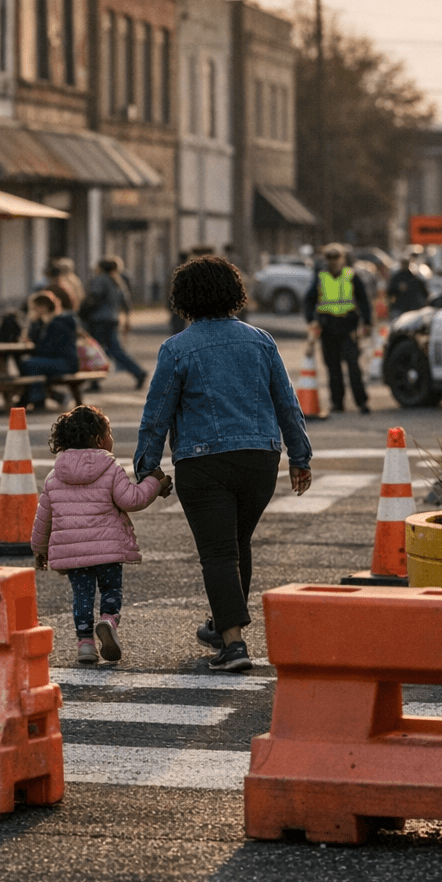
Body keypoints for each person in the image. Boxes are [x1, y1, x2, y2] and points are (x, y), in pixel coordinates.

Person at [134, 256, 312, 673]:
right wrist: (299, 456)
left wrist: (147, 467)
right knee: (237, 543)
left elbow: (157, 413)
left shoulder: (176, 348)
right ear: (234, 293)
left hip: (203, 461)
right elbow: (287, 403)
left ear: (183, 299)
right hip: (259, 460)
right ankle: (220, 625)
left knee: (218, 551)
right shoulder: (260, 341)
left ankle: (233, 644)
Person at [31, 405, 171, 664]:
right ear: (99, 440)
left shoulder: (54, 476)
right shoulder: (110, 468)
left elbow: (43, 519)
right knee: (110, 589)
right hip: (108, 550)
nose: (112, 439)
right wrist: (156, 483)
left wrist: (39, 550)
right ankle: (108, 620)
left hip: (74, 552)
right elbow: (131, 499)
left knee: (82, 596)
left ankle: (85, 644)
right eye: (109, 433)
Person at [304, 243, 372, 415]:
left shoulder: (350, 275)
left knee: (353, 367)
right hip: (327, 328)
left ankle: (362, 401)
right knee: (333, 368)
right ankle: (337, 403)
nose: (333, 262)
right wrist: (311, 320)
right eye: (329, 258)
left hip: (347, 327)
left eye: (336, 258)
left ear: (342, 259)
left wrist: (367, 321)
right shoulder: (321, 277)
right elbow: (309, 300)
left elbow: (363, 299)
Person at [80, 256, 146, 389]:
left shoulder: (100, 280)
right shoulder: (118, 281)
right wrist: (126, 319)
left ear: (101, 268)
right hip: (113, 319)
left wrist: (83, 312)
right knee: (115, 350)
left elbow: (93, 298)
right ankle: (138, 372)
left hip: (98, 320)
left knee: (95, 350)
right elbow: (127, 303)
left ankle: (94, 381)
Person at [19, 291, 79, 411]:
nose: (33, 311)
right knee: (32, 364)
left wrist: (36, 324)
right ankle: (48, 397)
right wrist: (36, 323)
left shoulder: (58, 323)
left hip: (66, 363)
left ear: (44, 307)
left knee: (29, 364)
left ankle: (37, 398)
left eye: (35, 308)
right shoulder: (48, 322)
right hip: (61, 361)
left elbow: (46, 349)